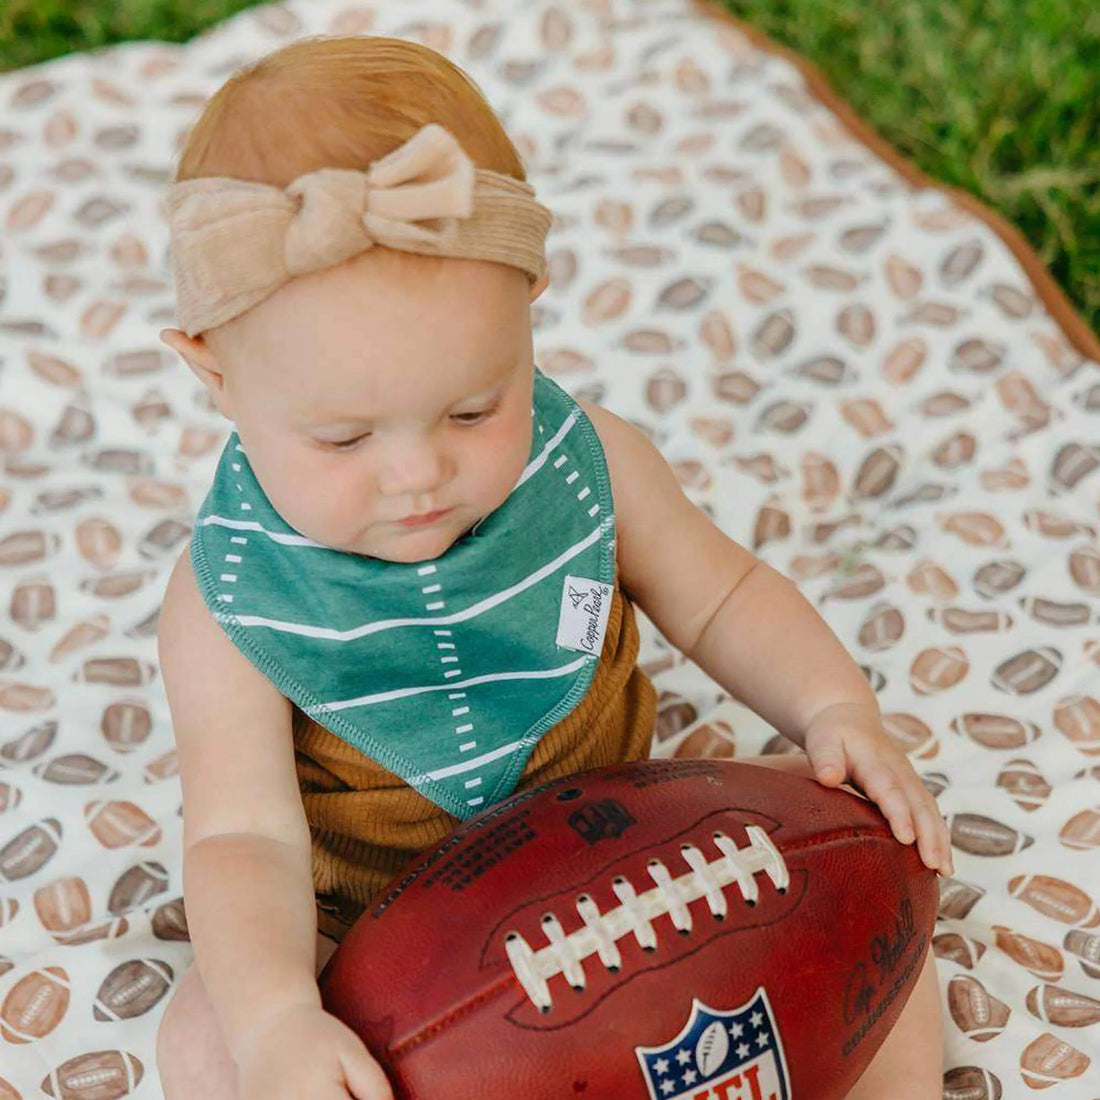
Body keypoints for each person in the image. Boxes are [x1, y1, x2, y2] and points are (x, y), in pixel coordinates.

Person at [153, 33, 952, 1100]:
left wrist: (834, 707)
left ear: (530, 301)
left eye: (473, 409)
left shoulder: (587, 469)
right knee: (208, 1040)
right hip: (381, 944)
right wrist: (278, 1016)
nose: (418, 474)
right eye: (343, 439)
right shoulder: (231, 601)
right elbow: (243, 833)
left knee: (866, 910)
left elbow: (722, 597)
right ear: (212, 374)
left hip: (627, 854)